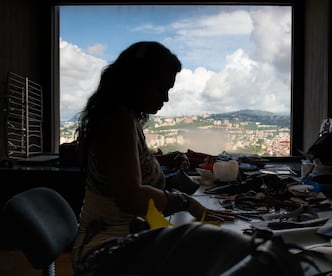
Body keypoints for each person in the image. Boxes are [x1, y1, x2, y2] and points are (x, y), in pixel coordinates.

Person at [71, 41, 233, 270]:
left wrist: (162, 160)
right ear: (137, 82)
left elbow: (124, 165)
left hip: (113, 242)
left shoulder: (122, 115)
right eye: (160, 89)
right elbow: (130, 196)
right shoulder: (118, 121)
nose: (165, 99)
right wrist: (187, 203)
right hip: (104, 253)